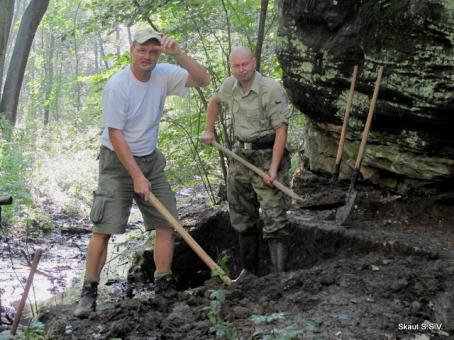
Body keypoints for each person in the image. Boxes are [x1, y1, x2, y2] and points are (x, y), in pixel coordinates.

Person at [74, 28, 210, 318]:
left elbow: (203, 79)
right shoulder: (117, 86)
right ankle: (88, 293)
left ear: (159, 52)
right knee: (104, 227)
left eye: (153, 51)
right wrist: (135, 175)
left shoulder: (163, 73)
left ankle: (163, 285)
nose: (147, 56)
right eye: (142, 50)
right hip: (116, 160)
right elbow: (116, 134)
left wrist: (179, 54)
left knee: (166, 221)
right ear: (132, 50)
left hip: (150, 158)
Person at [201, 46, 291, 277]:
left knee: (274, 216)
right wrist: (208, 130)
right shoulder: (230, 85)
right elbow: (214, 101)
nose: (241, 70)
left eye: (245, 64)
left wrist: (273, 169)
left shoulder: (271, 90)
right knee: (242, 215)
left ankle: (278, 276)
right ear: (231, 66)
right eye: (236, 66)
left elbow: (281, 130)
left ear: (254, 62)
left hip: (267, 154)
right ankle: (249, 272)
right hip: (240, 155)